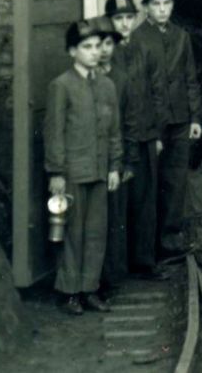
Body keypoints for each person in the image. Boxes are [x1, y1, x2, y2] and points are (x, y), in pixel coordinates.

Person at [44, 19, 123, 315]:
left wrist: (114, 166)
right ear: (71, 51)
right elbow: (54, 134)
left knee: (95, 233)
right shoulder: (61, 86)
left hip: (100, 171)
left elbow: (114, 131)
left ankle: (90, 290)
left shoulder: (107, 86)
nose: (94, 53)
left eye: (96, 47)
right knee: (72, 233)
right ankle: (69, 293)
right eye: (86, 47)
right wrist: (56, 173)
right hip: (72, 173)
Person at [132, 0, 202, 258]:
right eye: (156, 5)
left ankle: (171, 240)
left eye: (166, 4)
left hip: (180, 121)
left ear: (172, 6)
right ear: (146, 8)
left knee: (176, 181)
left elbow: (190, 79)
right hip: (153, 125)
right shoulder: (138, 39)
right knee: (150, 184)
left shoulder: (181, 36)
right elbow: (138, 88)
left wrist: (195, 117)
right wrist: (151, 129)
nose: (162, 10)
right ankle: (150, 245)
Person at [103, 0, 167, 280]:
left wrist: (156, 134)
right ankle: (117, 268)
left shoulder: (144, 49)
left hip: (144, 138)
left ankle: (144, 261)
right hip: (118, 141)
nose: (125, 24)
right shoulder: (104, 53)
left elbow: (157, 92)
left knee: (145, 202)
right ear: (109, 21)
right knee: (118, 205)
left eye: (129, 17)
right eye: (119, 18)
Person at [93, 16, 129, 295]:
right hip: (90, 159)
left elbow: (126, 121)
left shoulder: (120, 78)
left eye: (108, 43)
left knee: (114, 217)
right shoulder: (86, 77)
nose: (104, 49)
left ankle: (112, 278)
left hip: (114, 160)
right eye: (98, 44)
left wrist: (125, 161)